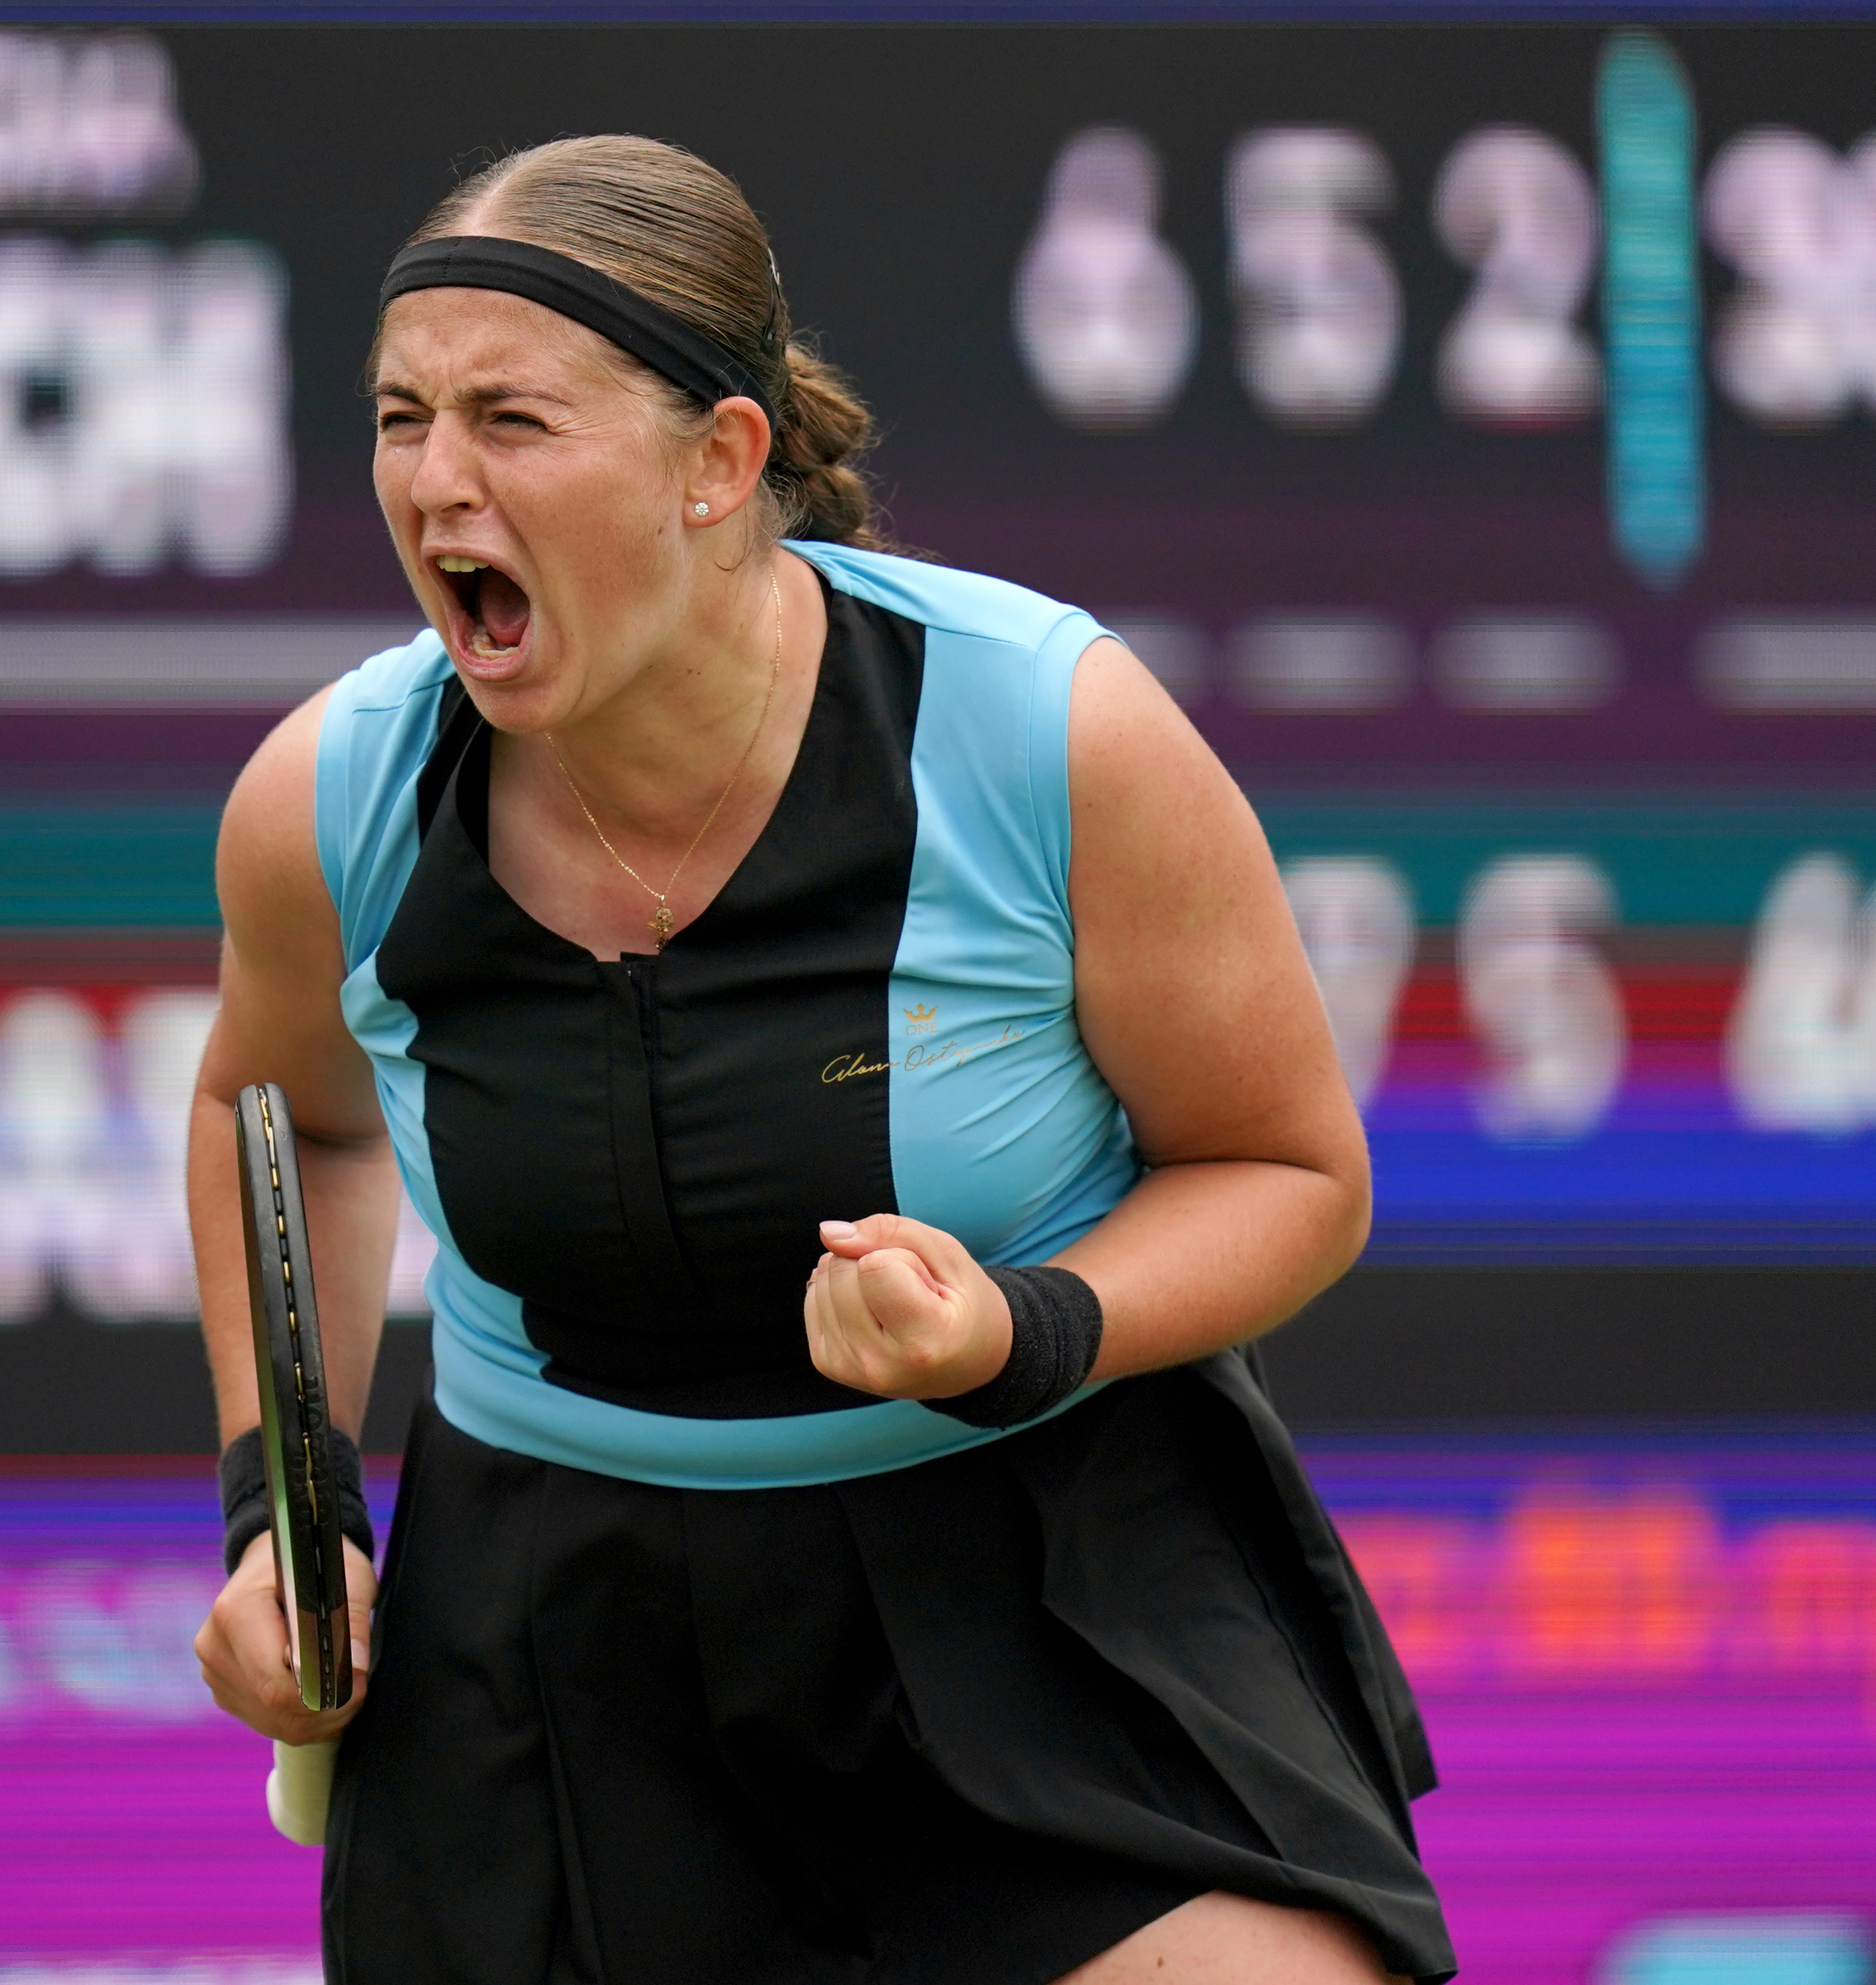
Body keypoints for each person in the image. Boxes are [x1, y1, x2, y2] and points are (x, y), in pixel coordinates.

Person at [189, 134, 1454, 1985]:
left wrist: (1011, 1328)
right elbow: (278, 1122)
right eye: (401, 418)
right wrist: (277, 1513)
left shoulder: (1042, 726)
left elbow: (1285, 1174)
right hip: (552, 1635)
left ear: (720, 462)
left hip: (1039, 1578)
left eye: (512, 421)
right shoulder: (337, 791)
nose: (436, 483)